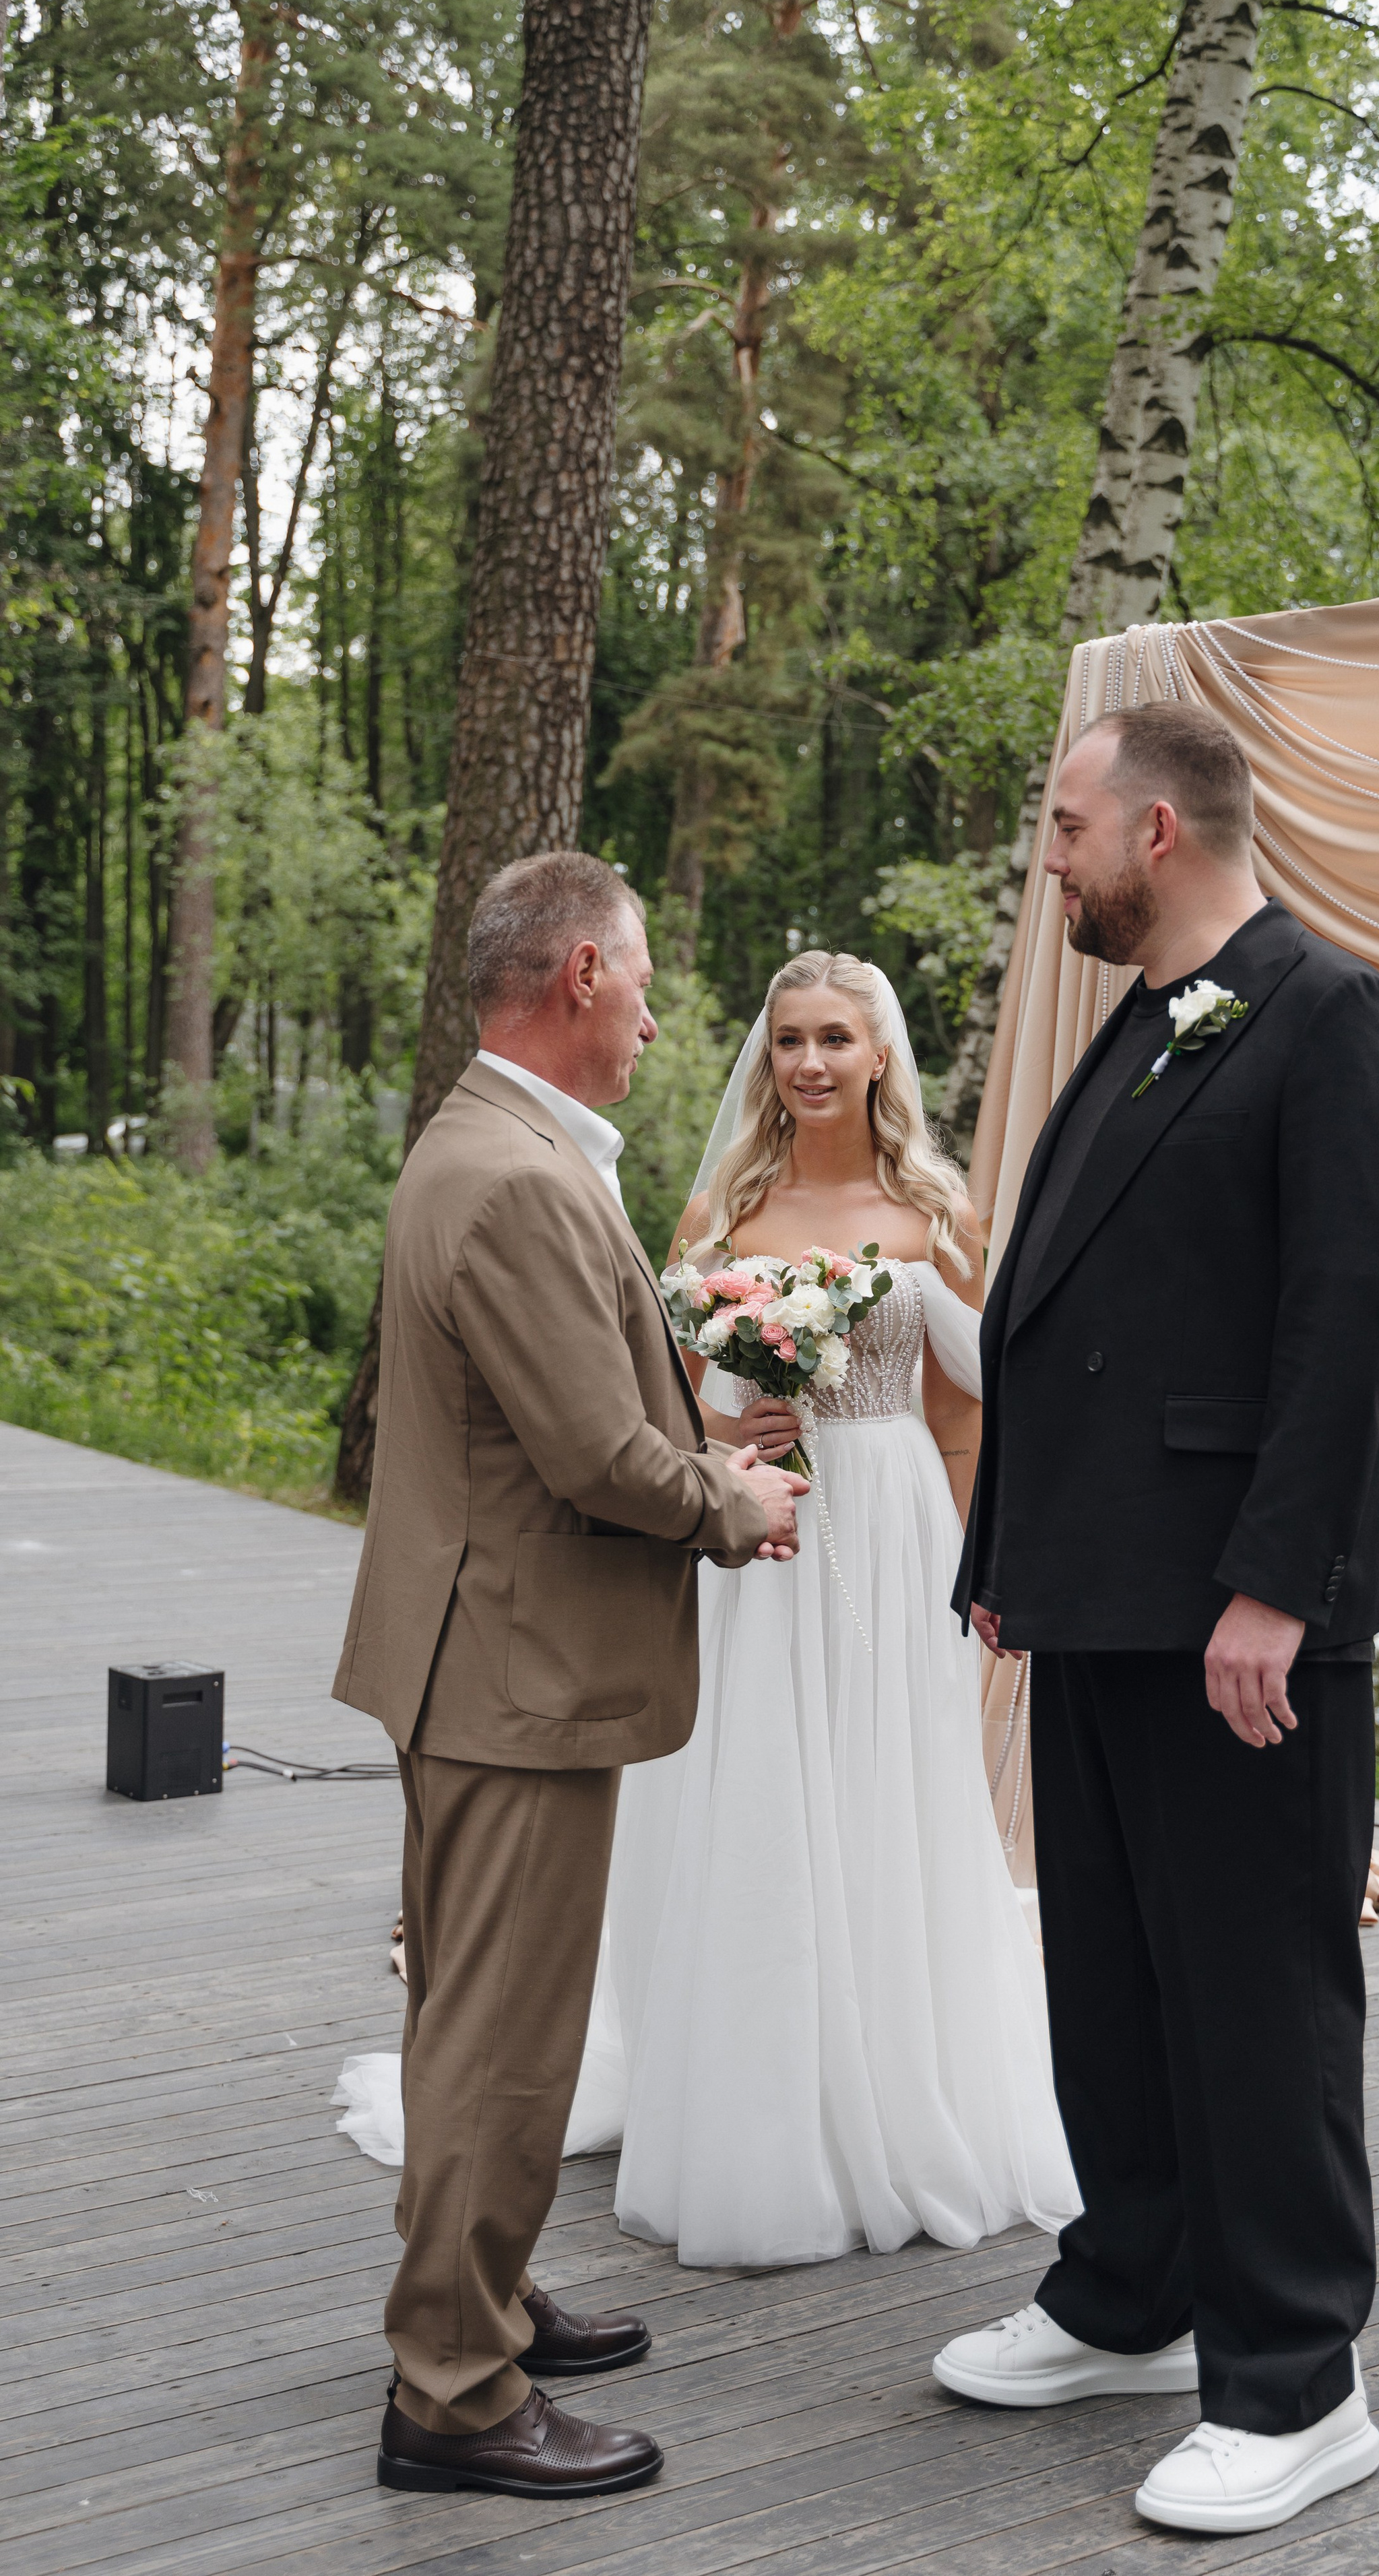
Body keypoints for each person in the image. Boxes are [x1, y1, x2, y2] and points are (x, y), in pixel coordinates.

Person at [934, 702, 1379, 2536]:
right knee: (1117, 1980)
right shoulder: (1138, 1029)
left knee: (1259, 1996)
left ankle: (1301, 2379)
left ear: (1158, 831)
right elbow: (1052, 1323)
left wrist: (1271, 1594)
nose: (1045, 856)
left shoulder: (1333, 1019)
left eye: (1063, 823)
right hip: (1098, 1600)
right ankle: (1132, 2288)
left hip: (1239, 1618)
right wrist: (1008, 1549)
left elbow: (1347, 1331)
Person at [331, 850, 804, 2501]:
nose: (664, 1014)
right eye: (649, 977)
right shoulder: (519, 1177)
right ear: (581, 977)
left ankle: (488, 2291)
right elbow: (593, 1451)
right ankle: (453, 2390)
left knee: (476, 2007)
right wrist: (731, 1502)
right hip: (511, 1667)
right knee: (499, 2035)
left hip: (477, 1651)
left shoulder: (488, 1145)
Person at [561, 949, 1080, 2265]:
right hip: (762, 1531)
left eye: (833, 1038)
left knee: (888, 1791)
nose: (806, 1061)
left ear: (877, 1055)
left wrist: (979, 1568)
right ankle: (756, 2104)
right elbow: (664, 1393)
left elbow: (966, 1413)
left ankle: (895, 2088)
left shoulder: (934, 1208)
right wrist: (732, 1429)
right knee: (763, 1793)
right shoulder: (722, 1211)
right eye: (788, 1036)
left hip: (897, 1522)